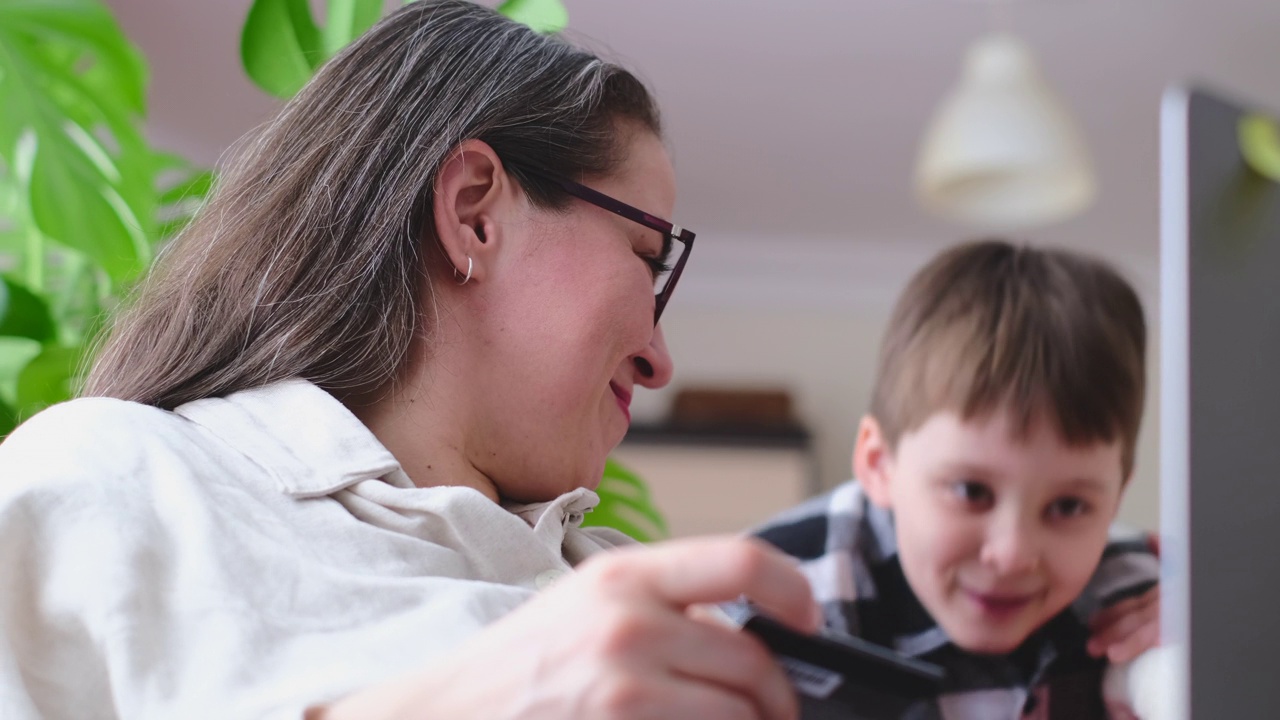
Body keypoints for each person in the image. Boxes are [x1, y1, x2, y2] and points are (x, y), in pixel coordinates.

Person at [0, 2, 818, 718]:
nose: (659, 360)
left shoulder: (632, 602)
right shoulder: (113, 481)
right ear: (473, 213)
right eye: (647, 256)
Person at [742, 240, 1161, 718]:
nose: (1011, 555)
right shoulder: (781, 600)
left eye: (1068, 506)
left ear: (1117, 496)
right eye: (971, 492)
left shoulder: (1150, 604)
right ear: (880, 465)